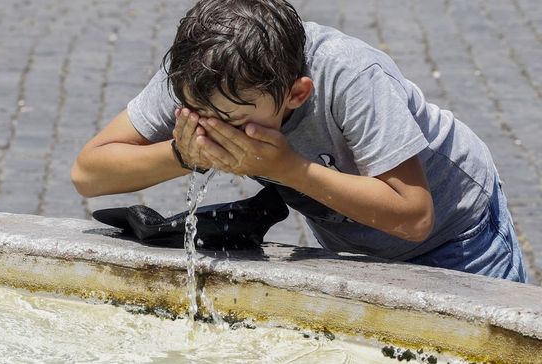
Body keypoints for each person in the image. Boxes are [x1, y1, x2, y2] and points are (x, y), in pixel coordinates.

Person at [71, 0, 529, 283]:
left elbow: (414, 216)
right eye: (198, 113)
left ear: (296, 94)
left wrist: (289, 169)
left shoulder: (351, 76)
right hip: (352, 241)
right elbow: (88, 175)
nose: (212, 127)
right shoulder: (205, 74)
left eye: (231, 118)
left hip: (460, 235)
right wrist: (180, 153)